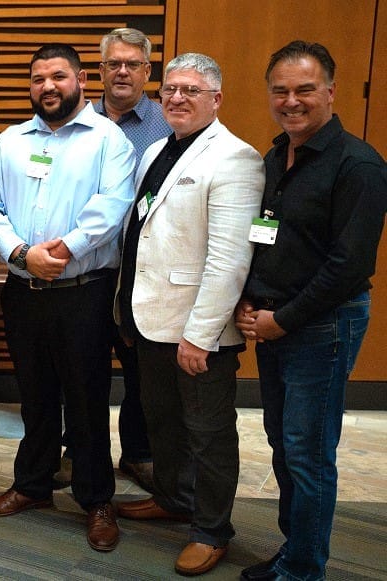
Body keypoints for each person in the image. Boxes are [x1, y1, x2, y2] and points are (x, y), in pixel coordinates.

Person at [0, 43, 135, 552]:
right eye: (38, 78)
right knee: (35, 395)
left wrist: (58, 252)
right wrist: (22, 254)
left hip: (83, 293)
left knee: (87, 400)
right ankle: (33, 485)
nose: (47, 86)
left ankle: (97, 499)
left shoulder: (110, 141)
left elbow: (113, 209)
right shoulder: (9, 142)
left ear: (82, 79)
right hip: (24, 291)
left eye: (58, 76)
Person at [236, 41, 386, 581]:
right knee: (283, 444)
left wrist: (284, 318)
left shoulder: (359, 165)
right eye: (281, 90)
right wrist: (254, 298)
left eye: (304, 90)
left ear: (330, 91)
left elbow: (349, 265)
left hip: (323, 326)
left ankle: (303, 571)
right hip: (278, 322)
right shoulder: (277, 157)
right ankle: (295, 550)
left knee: (308, 453)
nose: (291, 101)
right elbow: (269, 240)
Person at [114, 53, 264, 576]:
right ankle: (175, 500)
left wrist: (200, 336)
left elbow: (229, 259)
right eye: (171, 89)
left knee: (209, 434)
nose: (177, 98)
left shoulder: (235, 159)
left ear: (216, 99)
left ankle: (211, 529)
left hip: (198, 331)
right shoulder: (158, 147)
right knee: (164, 425)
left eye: (191, 91)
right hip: (150, 318)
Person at [63, 27, 172, 492]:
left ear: (148, 71)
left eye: (132, 64)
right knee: (79, 365)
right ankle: (77, 447)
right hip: (85, 269)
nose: (122, 71)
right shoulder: (73, 122)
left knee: (139, 366)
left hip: (140, 270)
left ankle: (138, 451)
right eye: (113, 64)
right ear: (99, 71)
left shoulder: (168, 122)